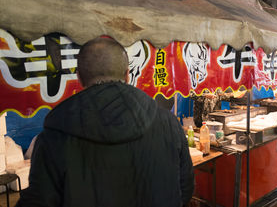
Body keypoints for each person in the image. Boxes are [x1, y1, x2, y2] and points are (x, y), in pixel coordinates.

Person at [16, 37, 194, 207]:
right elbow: (185, 190)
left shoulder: (54, 136)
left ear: (79, 77)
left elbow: (39, 201)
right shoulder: (168, 123)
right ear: (127, 75)